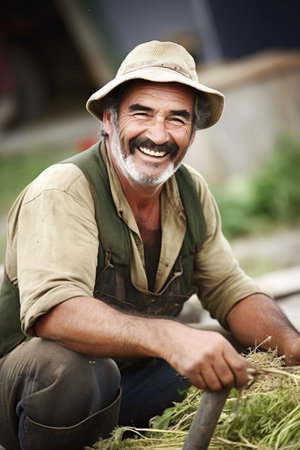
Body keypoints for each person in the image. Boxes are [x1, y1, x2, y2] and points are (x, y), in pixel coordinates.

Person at [0, 40, 299, 450]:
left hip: (123, 379)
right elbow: (56, 313)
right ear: (109, 119)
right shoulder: (64, 188)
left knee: (234, 356)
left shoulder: (190, 192)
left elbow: (230, 289)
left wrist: (291, 346)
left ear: (192, 133)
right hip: (27, 390)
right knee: (70, 367)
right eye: (141, 113)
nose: (158, 135)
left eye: (177, 119)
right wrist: (170, 337)